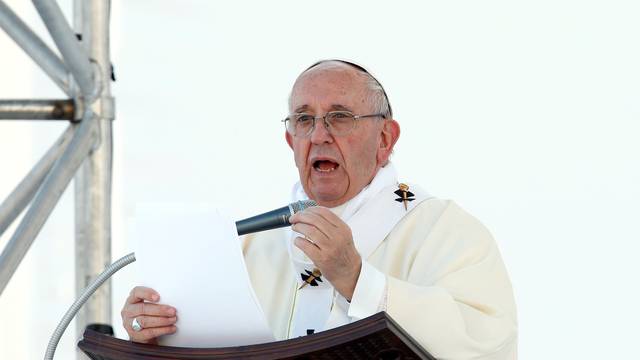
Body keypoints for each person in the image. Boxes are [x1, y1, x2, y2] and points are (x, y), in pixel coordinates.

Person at [120, 60, 518, 359]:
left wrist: (359, 279)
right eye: (304, 120)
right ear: (289, 140)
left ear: (385, 137)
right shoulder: (250, 244)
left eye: (340, 118)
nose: (320, 135)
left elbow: (486, 345)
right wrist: (157, 335)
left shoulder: (445, 232)